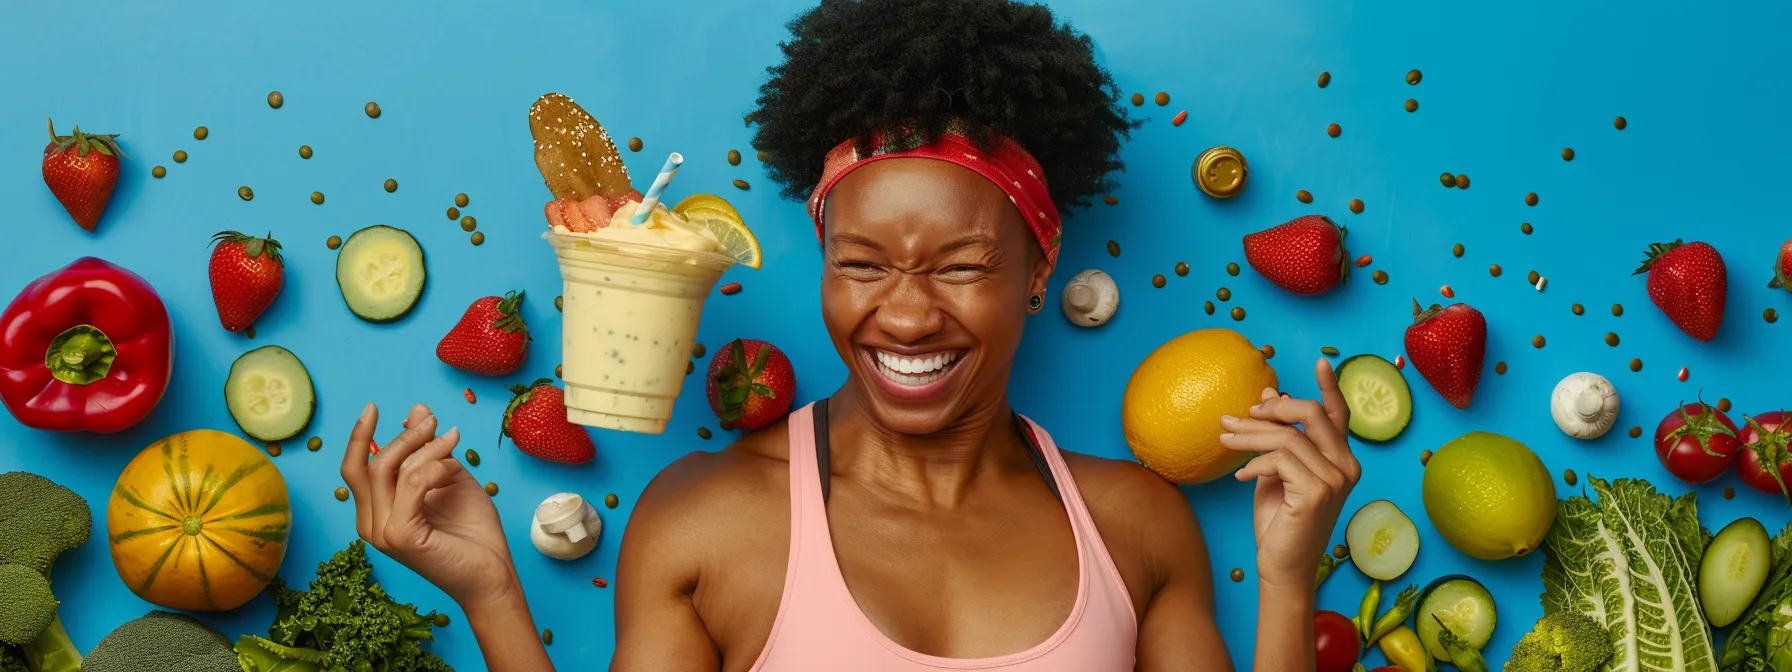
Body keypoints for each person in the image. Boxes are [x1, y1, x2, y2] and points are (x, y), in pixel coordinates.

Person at [340, 0, 1361, 670]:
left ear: (1039, 274)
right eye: (863, 265)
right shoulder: (703, 520)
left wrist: (1285, 575)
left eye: (960, 265)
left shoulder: (1135, 525)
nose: (907, 314)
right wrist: (490, 592)